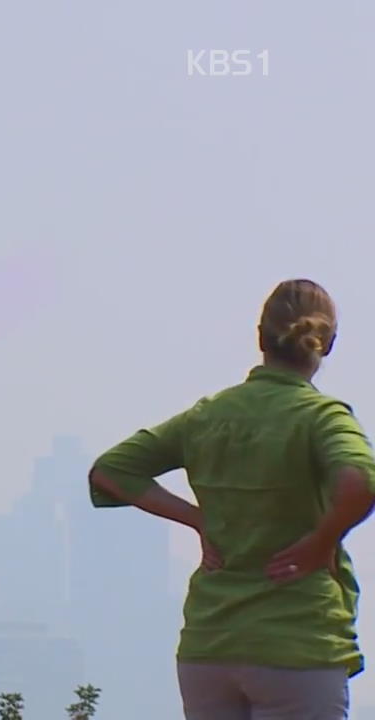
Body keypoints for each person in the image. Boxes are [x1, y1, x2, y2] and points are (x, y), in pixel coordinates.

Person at [89, 279, 375, 720]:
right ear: (328, 344)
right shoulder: (321, 418)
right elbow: (360, 483)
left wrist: (199, 519)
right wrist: (321, 541)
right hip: (297, 642)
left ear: (260, 337)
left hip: (209, 646)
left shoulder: (209, 416)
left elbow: (111, 471)